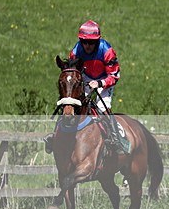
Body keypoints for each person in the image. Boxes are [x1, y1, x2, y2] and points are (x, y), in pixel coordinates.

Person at [45, 20, 129, 154]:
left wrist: (100, 83)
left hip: (104, 80)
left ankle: (116, 137)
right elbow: (72, 73)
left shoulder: (107, 51)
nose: (87, 45)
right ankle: (55, 136)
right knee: (70, 102)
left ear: (98, 41)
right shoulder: (76, 51)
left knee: (102, 107)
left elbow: (114, 75)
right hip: (84, 79)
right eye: (84, 42)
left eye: (91, 42)